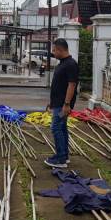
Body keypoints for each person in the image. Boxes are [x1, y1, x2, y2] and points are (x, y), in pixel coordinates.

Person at [44, 38, 79, 168]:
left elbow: (72, 85)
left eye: (54, 50)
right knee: (62, 128)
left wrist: (67, 104)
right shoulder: (63, 63)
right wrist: (51, 102)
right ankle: (64, 155)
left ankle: (60, 159)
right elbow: (58, 85)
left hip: (63, 105)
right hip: (58, 103)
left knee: (56, 128)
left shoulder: (70, 64)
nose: (53, 52)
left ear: (60, 49)